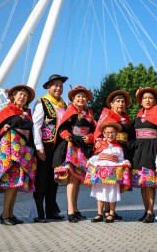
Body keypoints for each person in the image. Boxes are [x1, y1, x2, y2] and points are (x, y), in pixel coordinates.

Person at [0, 85, 37, 225]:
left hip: (23, 150)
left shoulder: (27, 113)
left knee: (16, 183)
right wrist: (2, 129)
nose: (22, 97)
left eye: (25, 95)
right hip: (10, 149)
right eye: (20, 94)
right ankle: (5, 215)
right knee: (11, 182)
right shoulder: (7, 111)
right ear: (13, 96)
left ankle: (10, 214)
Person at [53, 85, 96, 223]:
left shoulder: (89, 113)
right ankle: (70, 210)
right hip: (72, 147)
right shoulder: (70, 111)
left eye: (83, 96)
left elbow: (94, 130)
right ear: (73, 98)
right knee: (72, 178)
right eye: (78, 96)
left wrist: (90, 137)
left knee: (77, 179)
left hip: (83, 148)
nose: (81, 99)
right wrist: (66, 135)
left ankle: (76, 209)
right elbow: (63, 128)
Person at [32, 74, 68, 223]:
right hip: (45, 146)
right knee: (42, 179)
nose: (58, 88)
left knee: (54, 180)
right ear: (48, 87)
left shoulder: (64, 105)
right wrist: (39, 147)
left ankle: (51, 211)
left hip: (59, 147)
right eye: (55, 85)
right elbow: (36, 126)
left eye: (60, 85)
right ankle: (39, 213)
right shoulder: (42, 103)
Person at [93, 90, 135, 220]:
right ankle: (104, 211)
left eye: (123, 101)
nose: (121, 103)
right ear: (111, 104)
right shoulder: (106, 116)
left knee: (115, 182)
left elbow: (132, 135)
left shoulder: (126, 118)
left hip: (122, 151)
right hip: (109, 150)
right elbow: (98, 134)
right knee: (105, 180)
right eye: (118, 101)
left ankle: (111, 210)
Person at [132, 87, 157, 223]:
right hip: (138, 149)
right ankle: (146, 210)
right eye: (145, 98)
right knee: (143, 182)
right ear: (140, 101)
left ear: (155, 101)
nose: (147, 100)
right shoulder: (138, 115)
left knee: (150, 182)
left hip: (152, 148)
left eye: (150, 98)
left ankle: (151, 211)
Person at [86, 120, 131, 223]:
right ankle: (99, 213)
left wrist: (126, 162)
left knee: (112, 193)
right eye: (107, 132)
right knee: (100, 193)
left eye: (112, 132)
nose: (110, 135)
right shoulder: (100, 146)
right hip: (100, 172)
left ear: (116, 134)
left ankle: (111, 213)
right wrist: (90, 161)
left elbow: (121, 159)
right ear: (104, 134)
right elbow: (96, 157)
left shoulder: (118, 148)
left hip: (113, 173)